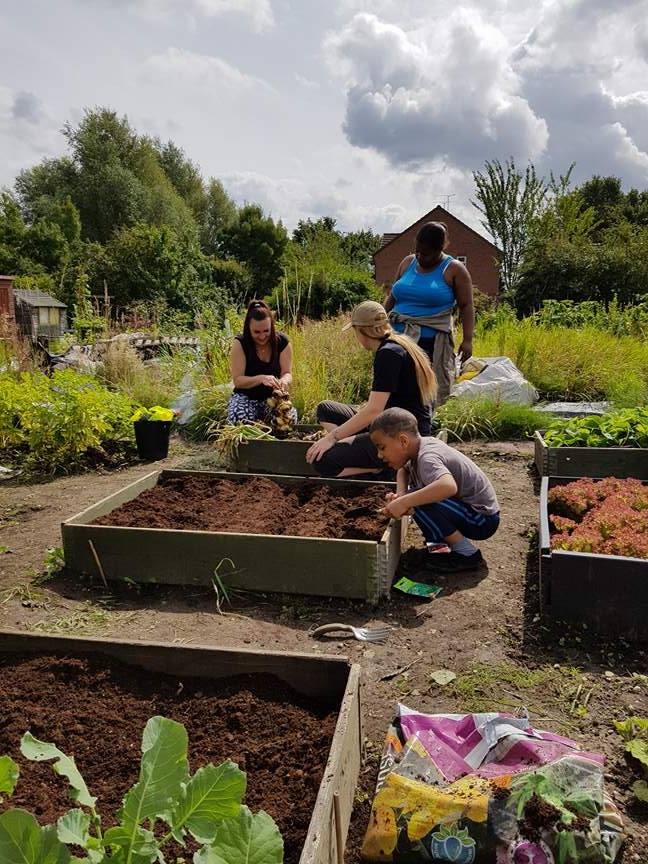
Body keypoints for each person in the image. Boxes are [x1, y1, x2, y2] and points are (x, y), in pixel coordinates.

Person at [305, 300, 436, 479]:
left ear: (362, 330)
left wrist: (332, 438)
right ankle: (366, 454)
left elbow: (374, 411)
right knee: (325, 409)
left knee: (322, 460)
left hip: (399, 434)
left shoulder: (388, 354)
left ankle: (383, 470)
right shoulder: (397, 344)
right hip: (390, 423)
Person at [369, 407, 500, 572]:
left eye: (382, 447)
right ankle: (439, 550)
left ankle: (467, 554)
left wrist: (405, 500)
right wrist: (401, 495)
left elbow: (447, 486)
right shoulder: (418, 448)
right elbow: (404, 470)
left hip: (482, 519)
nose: (379, 455)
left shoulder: (427, 458)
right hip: (467, 512)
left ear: (403, 441)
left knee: (419, 499)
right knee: (415, 497)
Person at [384, 221, 474, 405]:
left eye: (425, 253)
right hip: (396, 338)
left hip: (429, 343)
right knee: (392, 388)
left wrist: (468, 340)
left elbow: (466, 306)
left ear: (441, 248)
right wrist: (379, 318)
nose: (420, 256)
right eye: (417, 251)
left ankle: (422, 428)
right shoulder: (408, 262)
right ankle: (393, 426)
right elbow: (393, 295)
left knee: (421, 394)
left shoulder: (454, 269)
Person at [226, 300, 297, 425]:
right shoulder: (240, 343)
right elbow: (238, 380)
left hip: (273, 399)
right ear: (249, 328)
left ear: (272, 327)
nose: (262, 336)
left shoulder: (282, 343)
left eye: (266, 331)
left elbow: (287, 373)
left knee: (288, 419)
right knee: (240, 419)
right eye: (256, 332)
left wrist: (284, 381)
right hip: (246, 397)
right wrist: (261, 378)